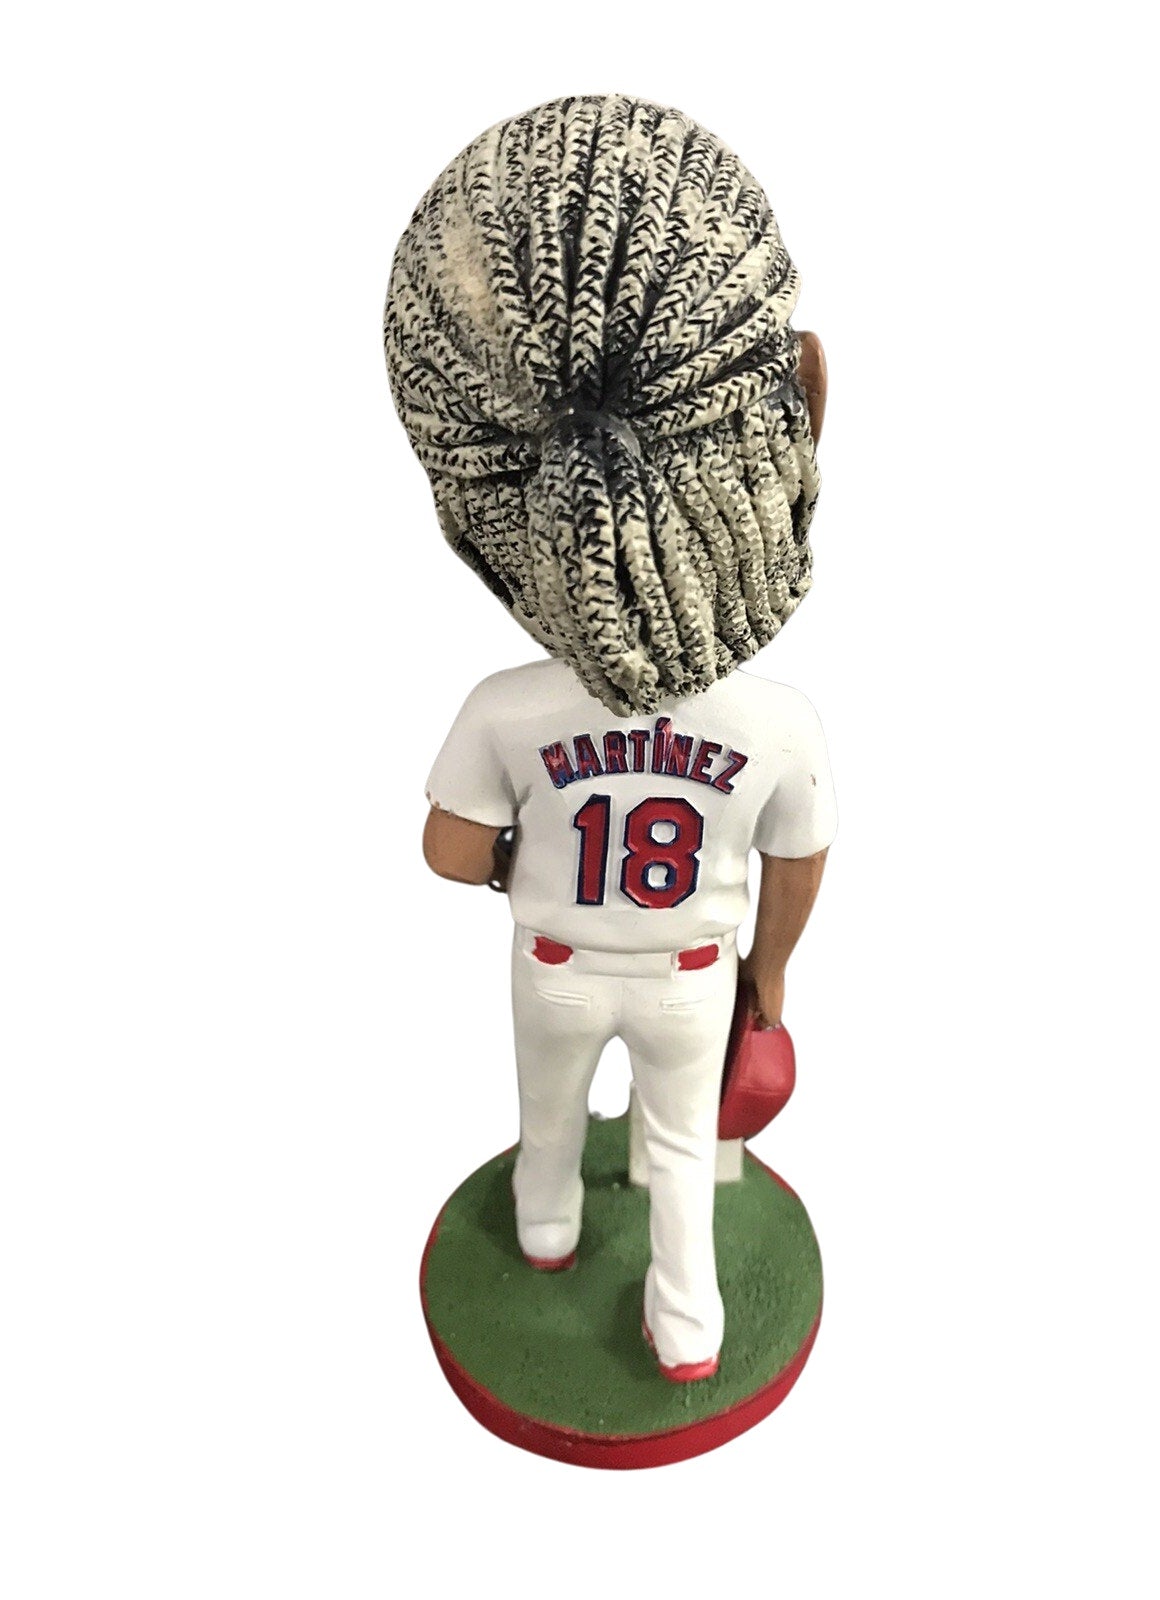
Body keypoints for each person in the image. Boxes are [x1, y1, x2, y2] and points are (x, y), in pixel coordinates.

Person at [386, 93, 835, 1381]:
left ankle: (543, 1232)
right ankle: (688, 1330)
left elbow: (447, 851)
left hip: (557, 959)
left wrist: (526, 859)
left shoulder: (507, 707)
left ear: (470, 516)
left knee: (547, 1118)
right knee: (683, 1155)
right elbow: (797, 869)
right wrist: (769, 982)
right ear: (807, 399)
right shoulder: (779, 724)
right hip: (693, 975)